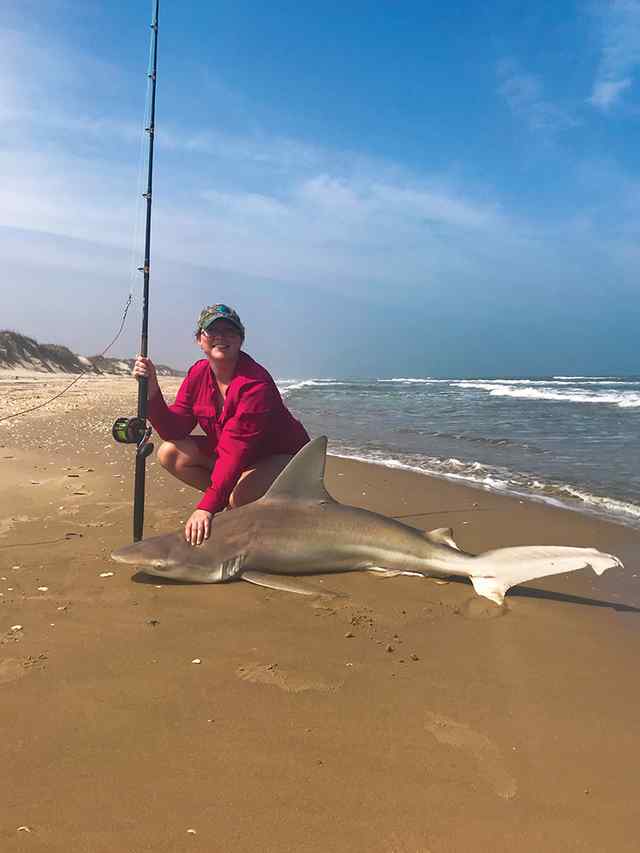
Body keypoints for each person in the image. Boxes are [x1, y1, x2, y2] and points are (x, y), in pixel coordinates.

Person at [132, 304, 309, 546]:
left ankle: (248, 502)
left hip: (284, 459)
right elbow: (174, 429)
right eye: (213, 331)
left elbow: (235, 450)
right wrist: (152, 389)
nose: (221, 337)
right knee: (170, 453)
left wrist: (206, 508)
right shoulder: (198, 373)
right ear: (199, 339)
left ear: (241, 339)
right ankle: (234, 500)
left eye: (230, 331)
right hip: (243, 459)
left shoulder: (255, 385)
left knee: (239, 496)